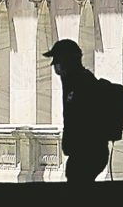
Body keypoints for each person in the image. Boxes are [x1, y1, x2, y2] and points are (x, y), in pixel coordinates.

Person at [43, 38, 109, 183]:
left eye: (57, 62)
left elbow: (82, 119)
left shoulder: (82, 82)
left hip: (89, 152)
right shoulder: (72, 82)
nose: (55, 68)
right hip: (83, 152)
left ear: (66, 62)